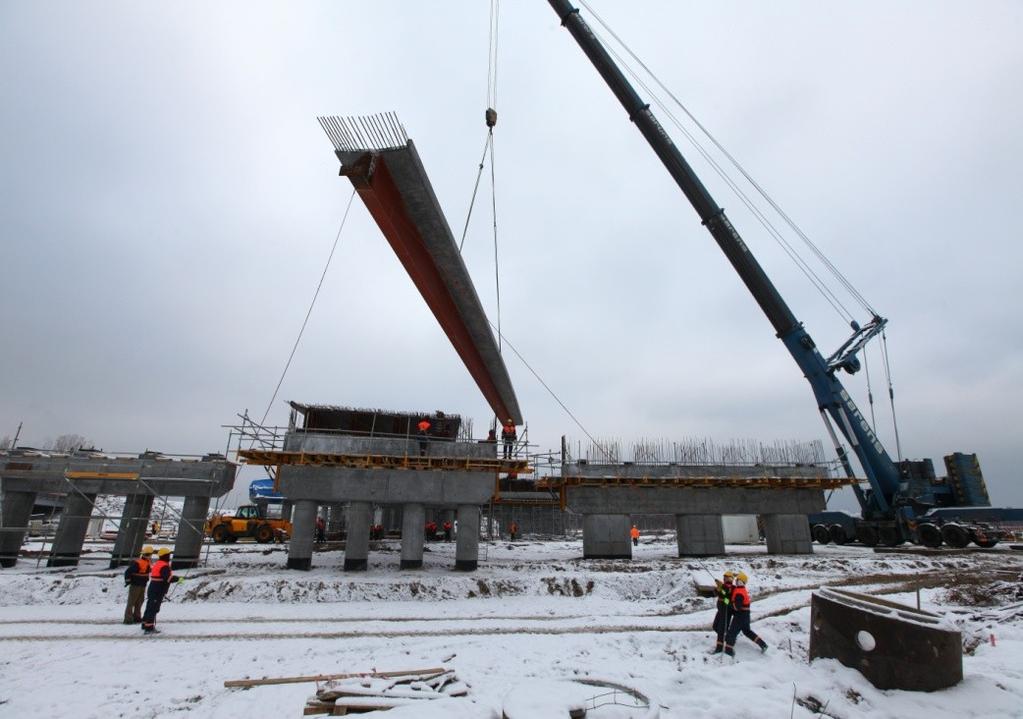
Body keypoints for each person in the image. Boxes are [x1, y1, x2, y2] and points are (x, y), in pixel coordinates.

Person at [724, 571, 768, 656]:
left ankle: (728, 651)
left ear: (740, 581)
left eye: (737, 579)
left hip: (740, 616)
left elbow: (737, 607)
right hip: (745, 615)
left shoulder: (739, 592)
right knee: (747, 631)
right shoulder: (741, 589)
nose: (736, 581)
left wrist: (727, 602)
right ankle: (763, 645)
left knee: (732, 632)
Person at [141, 548, 182, 634]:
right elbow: (168, 578)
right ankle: (149, 628)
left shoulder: (158, 563)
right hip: (158, 589)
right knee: (153, 607)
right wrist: (178, 579)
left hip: (153, 587)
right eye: (168, 555)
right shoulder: (164, 566)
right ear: (166, 556)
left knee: (150, 606)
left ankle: (145, 624)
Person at [123, 545, 153, 624]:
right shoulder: (138, 563)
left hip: (142, 585)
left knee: (139, 602)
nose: (150, 556)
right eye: (149, 555)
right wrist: (128, 581)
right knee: (131, 602)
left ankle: (137, 617)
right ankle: (128, 618)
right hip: (135, 585)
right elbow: (128, 572)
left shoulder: (147, 562)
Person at [711, 570, 734, 654]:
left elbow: (726, 597)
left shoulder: (732, 587)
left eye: (727, 577)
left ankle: (719, 648)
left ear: (731, 578)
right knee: (715, 626)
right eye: (724, 577)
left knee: (721, 630)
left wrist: (721, 587)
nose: (725, 578)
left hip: (726, 611)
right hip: (720, 610)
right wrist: (717, 588)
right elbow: (716, 594)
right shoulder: (723, 586)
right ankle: (727, 637)